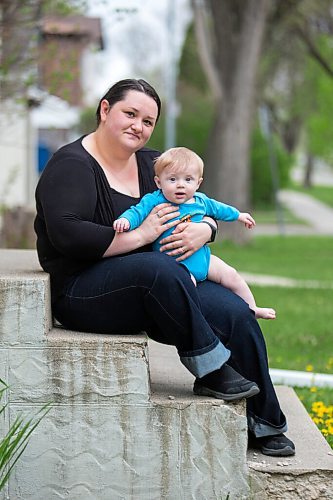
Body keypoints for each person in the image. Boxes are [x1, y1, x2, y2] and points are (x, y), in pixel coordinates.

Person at [34, 78, 295, 457]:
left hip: (162, 280)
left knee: (234, 313)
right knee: (157, 269)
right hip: (84, 290)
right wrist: (141, 236)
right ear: (105, 110)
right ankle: (211, 369)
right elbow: (68, 236)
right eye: (130, 113)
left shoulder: (150, 164)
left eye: (148, 120)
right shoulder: (71, 165)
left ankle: (266, 422)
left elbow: (196, 202)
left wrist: (204, 231)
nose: (138, 126)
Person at [113, 146, 276, 320]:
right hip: (177, 264)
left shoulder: (201, 201)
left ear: (198, 183)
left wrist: (239, 215)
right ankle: (190, 323)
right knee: (185, 289)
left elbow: (220, 209)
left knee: (232, 275)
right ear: (159, 182)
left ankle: (252, 308)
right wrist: (126, 221)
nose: (180, 185)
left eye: (188, 179)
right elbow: (137, 212)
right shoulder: (154, 200)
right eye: (173, 179)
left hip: (203, 260)